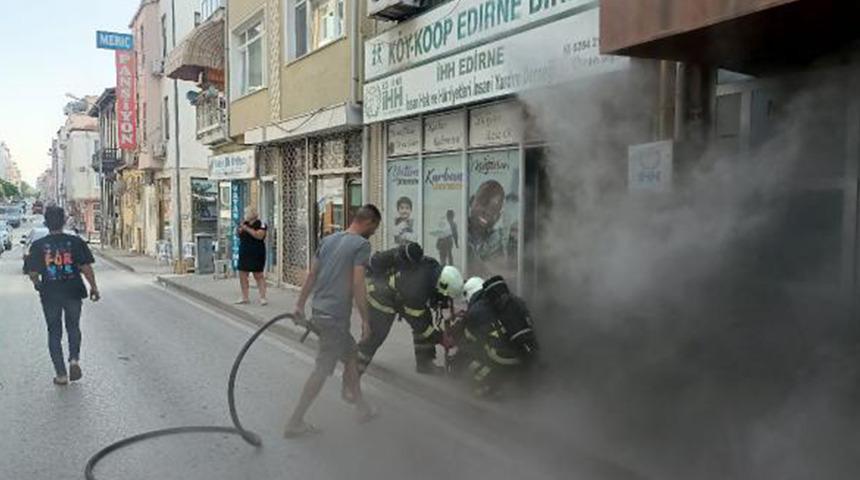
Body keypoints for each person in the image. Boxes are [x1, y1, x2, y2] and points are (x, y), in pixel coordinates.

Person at [285, 204, 382, 437]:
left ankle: (361, 407)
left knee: (351, 355)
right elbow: (358, 283)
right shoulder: (361, 245)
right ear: (368, 222)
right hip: (334, 318)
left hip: (320, 311)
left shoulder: (328, 240)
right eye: (375, 227)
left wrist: (299, 305)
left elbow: (312, 275)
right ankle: (295, 422)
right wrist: (366, 320)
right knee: (322, 370)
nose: (374, 232)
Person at [357, 242, 464, 375]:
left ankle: (424, 364)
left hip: (399, 294)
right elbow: (420, 324)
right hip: (381, 297)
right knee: (376, 335)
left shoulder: (433, 269)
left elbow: (431, 300)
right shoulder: (417, 290)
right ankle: (353, 370)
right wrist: (441, 338)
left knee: (425, 317)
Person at [26, 206, 100, 386]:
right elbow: (86, 267)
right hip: (73, 291)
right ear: (65, 221)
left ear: (46, 222)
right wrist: (94, 288)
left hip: (50, 294)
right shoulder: (75, 242)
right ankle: (74, 360)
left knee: (54, 332)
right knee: (73, 327)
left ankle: (61, 374)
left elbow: (33, 272)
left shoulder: (38, 246)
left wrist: (37, 284)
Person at [458, 275, 539, 397]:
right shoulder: (511, 302)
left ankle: (485, 385)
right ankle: (511, 381)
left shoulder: (477, 309)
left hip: (502, 357)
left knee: (473, 355)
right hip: (523, 353)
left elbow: (468, 338)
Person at [235, 207, 268, 306]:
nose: (245, 215)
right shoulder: (244, 224)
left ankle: (263, 297)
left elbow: (259, 235)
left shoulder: (261, 224)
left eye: (246, 213)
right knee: (243, 275)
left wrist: (246, 229)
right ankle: (245, 297)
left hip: (256, 253)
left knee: (258, 275)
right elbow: (238, 235)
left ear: (252, 214)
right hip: (244, 252)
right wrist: (239, 230)